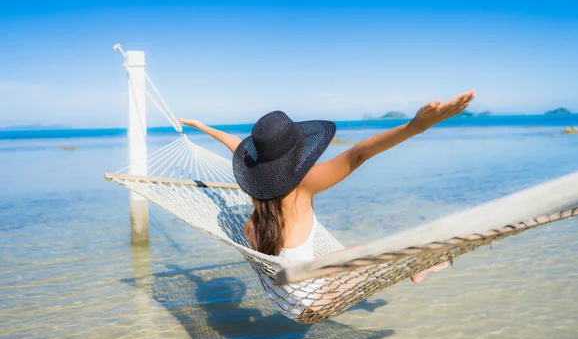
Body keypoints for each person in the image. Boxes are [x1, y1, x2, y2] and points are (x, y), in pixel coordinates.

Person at [179, 89, 475, 284]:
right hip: (313, 300)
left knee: (355, 250)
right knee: (373, 250)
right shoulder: (302, 188)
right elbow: (358, 153)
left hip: (286, 289)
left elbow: (234, 145)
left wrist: (201, 126)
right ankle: (415, 265)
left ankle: (414, 264)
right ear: (299, 152)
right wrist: (415, 127)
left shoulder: (256, 193)